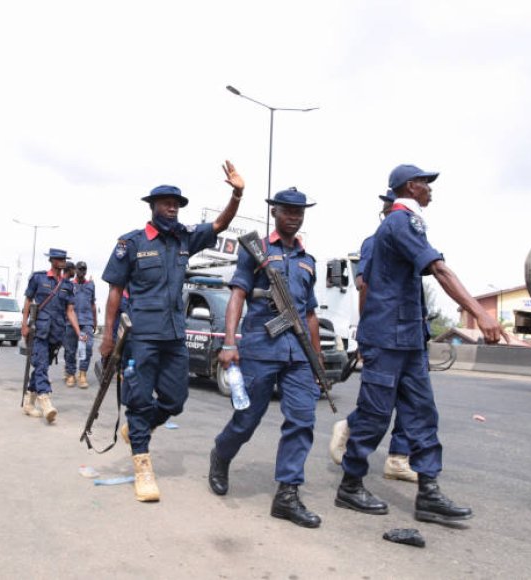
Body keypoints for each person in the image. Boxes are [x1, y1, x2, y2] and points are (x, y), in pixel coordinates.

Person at [334, 164, 506, 525]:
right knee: (375, 416)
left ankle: (428, 493)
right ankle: (350, 486)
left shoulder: (408, 222)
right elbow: (440, 270)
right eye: (427, 184)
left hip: (409, 339)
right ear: (411, 187)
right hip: (386, 338)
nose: (431, 190)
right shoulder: (400, 222)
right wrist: (480, 313)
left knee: (422, 414)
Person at [100, 160, 244, 502]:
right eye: (166, 203)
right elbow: (115, 293)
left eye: (177, 204)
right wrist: (107, 337)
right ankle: (143, 465)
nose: (173, 208)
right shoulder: (131, 243)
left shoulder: (184, 239)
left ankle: (141, 426)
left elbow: (220, 224)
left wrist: (237, 194)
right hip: (142, 337)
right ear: (152, 207)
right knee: (137, 400)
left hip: (175, 336)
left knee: (175, 401)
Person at [208, 187, 324, 529]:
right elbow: (237, 296)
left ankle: (287, 495)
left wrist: (317, 361)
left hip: (299, 354)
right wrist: (230, 343)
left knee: (302, 420)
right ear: (275, 212)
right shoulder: (255, 250)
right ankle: (221, 454)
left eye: (299, 211)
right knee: (247, 420)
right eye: (288, 210)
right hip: (261, 346)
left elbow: (312, 314)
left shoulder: (308, 260)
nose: (294, 216)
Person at [329, 189, 418, 484]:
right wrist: (366, 335)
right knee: (380, 402)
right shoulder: (376, 242)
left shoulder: (413, 241)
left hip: (409, 335)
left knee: (411, 401)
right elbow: (364, 286)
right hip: (382, 334)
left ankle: (398, 457)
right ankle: (348, 429)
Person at [21, 248, 82, 424]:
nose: (62, 261)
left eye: (64, 258)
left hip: (56, 332)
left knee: (43, 365)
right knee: (41, 366)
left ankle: (29, 403)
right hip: (39, 330)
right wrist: (24, 325)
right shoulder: (38, 278)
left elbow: (70, 311)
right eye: (58, 258)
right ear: (52, 260)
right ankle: (45, 401)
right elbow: (27, 301)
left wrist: (79, 332)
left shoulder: (68, 285)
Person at [63, 261, 97, 388]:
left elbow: (93, 304)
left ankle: (82, 374)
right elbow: (65, 305)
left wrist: (95, 321)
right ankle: (70, 374)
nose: (82, 271)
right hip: (71, 322)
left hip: (87, 322)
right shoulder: (70, 285)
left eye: (84, 269)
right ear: (76, 270)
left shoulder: (91, 285)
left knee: (87, 348)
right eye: (80, 269)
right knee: (70, 350)